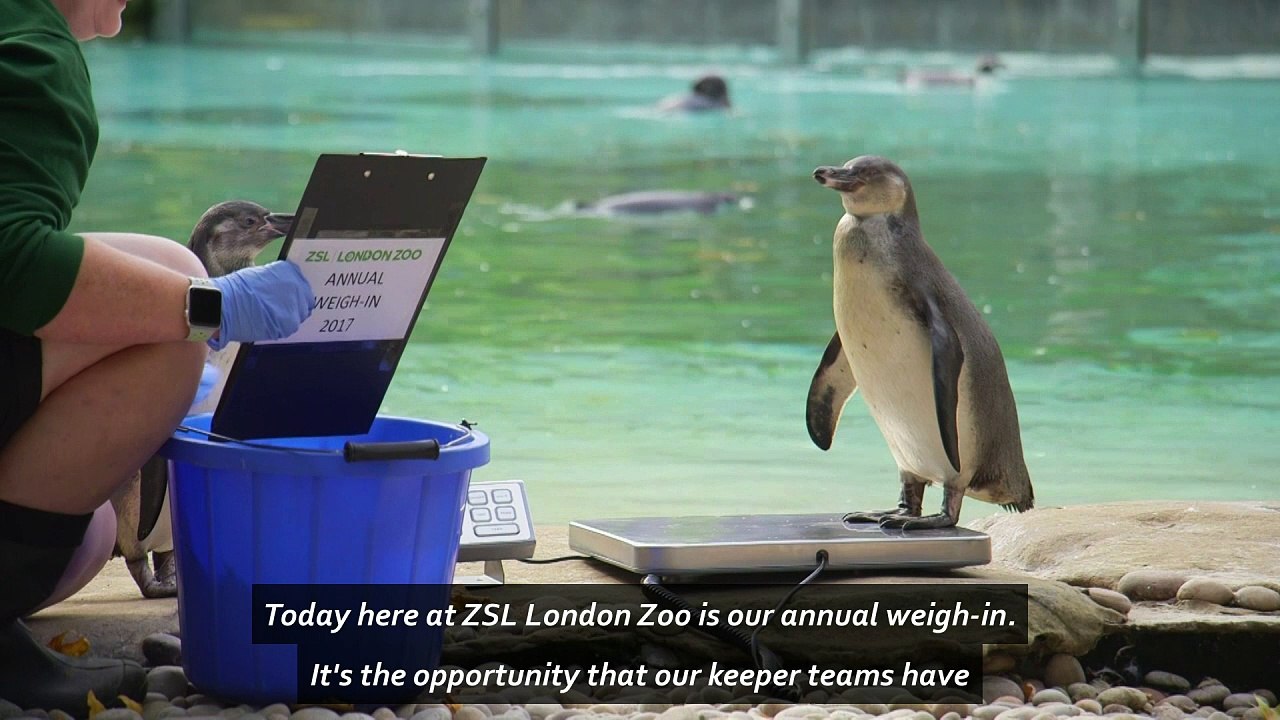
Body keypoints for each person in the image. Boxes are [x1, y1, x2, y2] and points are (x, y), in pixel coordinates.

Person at [0, 0, 314, 712]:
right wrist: (209, 310)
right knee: (168, 338)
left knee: (164, 267)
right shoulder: (32, 54)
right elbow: (8, 260)